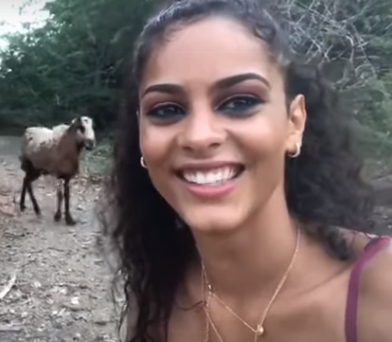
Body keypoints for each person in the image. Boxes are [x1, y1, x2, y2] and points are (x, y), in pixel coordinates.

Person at [100, 0, 392, 341]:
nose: (199, 136)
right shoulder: (157, 289)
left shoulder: (379, 293)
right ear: (141, 134)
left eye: (240, 102)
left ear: (294, 123)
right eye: (166, 110)